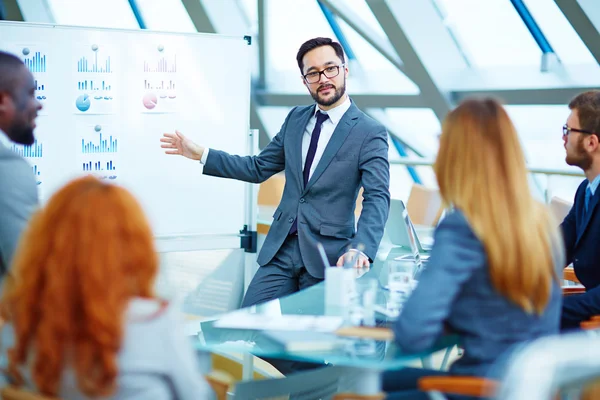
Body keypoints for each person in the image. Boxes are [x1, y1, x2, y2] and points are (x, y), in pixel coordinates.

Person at [161, 37, 390, 307]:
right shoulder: (295, 118)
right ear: (304, 81)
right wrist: (201, 154)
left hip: (327, 255)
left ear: (344, 70)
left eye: (330, 68)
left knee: (309, 342)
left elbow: (377, 197)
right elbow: (257, 168)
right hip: (281, 250)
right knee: (248, 324)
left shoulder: (369, 132)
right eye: (313, 73)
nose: (323, 78)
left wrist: (359, 248)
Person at [383, 98, 563, 399]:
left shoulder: (463, 225)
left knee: (358, 388)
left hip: (479, 388)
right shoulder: (540, 223)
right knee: (389, 378)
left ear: (455, 157)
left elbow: (412, 334)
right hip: (530, 387)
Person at [0, 176, 212, 399]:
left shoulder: (21, 321)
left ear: (45, 241)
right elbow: (195, 395)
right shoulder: (154, 322)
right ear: (134, 245)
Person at [560, 90, 600, 330]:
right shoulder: (586, 190)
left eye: (568, 131)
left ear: (591, 142)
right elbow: (556, 248)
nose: (563, 139)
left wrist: (552, 312)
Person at [0, 50, 42, 278]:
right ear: (2, 101)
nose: (38, 105)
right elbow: (31, 277)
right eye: (31, 93)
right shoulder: (6, 167)